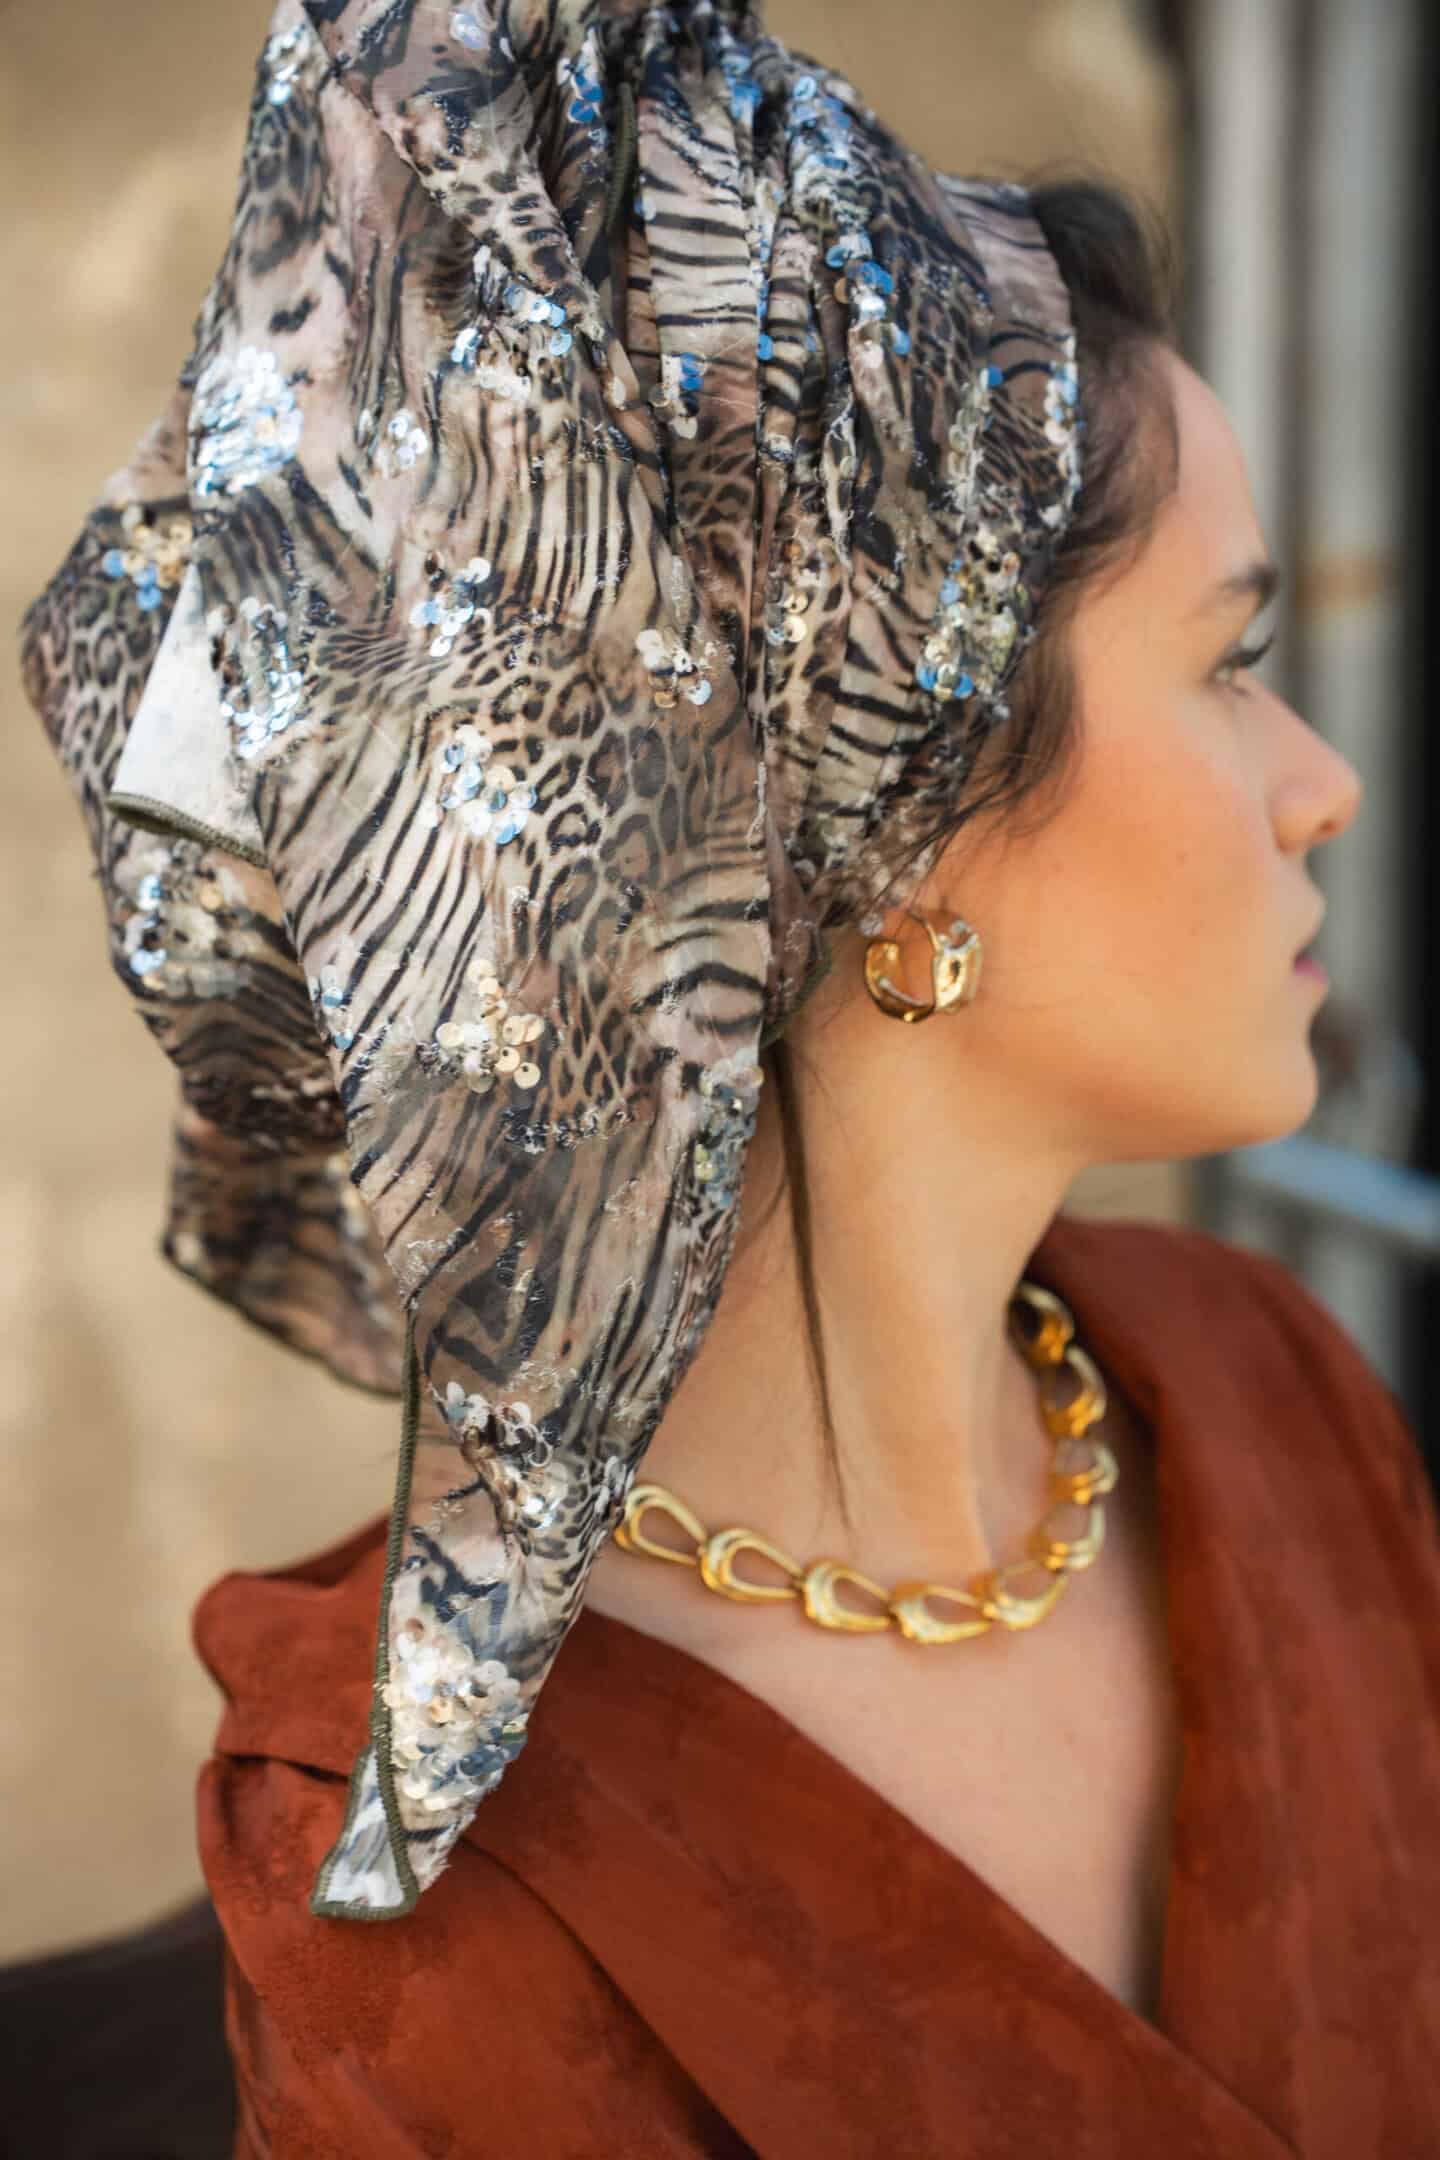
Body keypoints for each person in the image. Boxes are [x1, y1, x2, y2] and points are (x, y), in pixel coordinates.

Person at [20, 0, 1439, 2152]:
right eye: (1228, 664)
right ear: (895, 802)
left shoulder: (1267, 1394)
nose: (1322, 782)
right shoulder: (453, 1892)